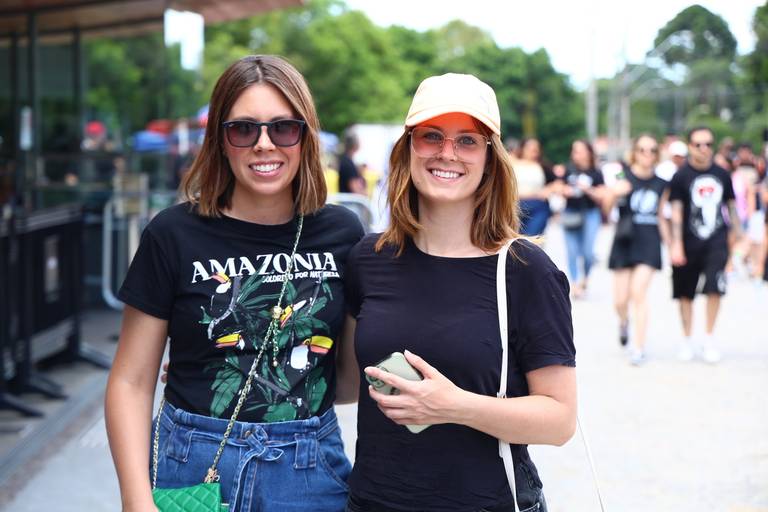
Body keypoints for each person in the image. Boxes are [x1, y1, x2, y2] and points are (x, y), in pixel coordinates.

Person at [105, 55, 364, 512]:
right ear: (220, 141)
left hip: (306, 470)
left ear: (305, 137)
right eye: (243, 130)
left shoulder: (342, 233)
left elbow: (348, 379)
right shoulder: (173, 234)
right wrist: (136, 500)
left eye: (283, 128)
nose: (264, 144)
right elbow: (131, 380)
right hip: (192, 466)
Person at [341, 73, 577, 512]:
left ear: (490, 158)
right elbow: (344, 385)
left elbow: (560, 420)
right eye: (431, 136)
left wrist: (454, 406)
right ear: (407, 148)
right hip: (372, 502)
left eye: (467, 141)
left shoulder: (525, 270)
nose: (447, 153)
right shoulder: (367, 259)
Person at [669, 126, 740, 364]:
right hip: (688, 241)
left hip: (717, 241)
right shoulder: (680, 176)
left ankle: (709, 338)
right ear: (690, 146)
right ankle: (687, 338)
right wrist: (676, 244)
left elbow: (731, 208)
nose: (704, 149)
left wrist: (736, 241)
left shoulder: (722, 174)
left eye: (708, 144)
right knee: (685, 294)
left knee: (714, 289)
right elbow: (676, 211)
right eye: (698, 144)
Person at [605, 135, 670, 365]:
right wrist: (614, 193)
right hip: (625, 239)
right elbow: (606, 209)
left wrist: (672, 245)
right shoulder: (622, 175)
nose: (647, 154)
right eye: (642, 149)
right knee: (620, 300)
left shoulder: (662, 183)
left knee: (638, 292)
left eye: (652, 150)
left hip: (649, 241)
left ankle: (638, 347)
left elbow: (661, 216)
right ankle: (624, 322)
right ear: (635, 152)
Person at [557, 139, 606, 298]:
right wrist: (566, 190)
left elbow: (602, 195)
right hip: (571, 212)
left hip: (590, 213)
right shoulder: (569, 169)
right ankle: (575, 283)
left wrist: (587, 189)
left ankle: (585, 277)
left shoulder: (596, 172)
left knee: (588, 252)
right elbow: (559, 187)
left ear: (588, 153)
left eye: (579, 150)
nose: (575, 154)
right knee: (571, 251)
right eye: (574, 150)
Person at [514, 137, 557, 236]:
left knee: (532, 238)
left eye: (536, 148)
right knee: (516, 239)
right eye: (530, 147)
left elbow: (557, 182)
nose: (533, 150)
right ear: (522, 148)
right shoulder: (513, 164)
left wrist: (548, 190)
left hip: (538, 207)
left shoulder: (542, 166)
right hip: (516, 207)